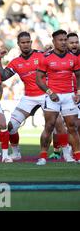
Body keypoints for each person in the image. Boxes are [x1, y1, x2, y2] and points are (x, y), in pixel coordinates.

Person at [0, 32, 46, 160]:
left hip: (46, 95)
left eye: (28, 42)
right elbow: (2, 76)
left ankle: (65, 153)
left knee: (56, 125)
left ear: (31, 42)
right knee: (11, 126)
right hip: (29, 97)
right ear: (18, 44)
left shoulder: (41, 56)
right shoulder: (16, 62)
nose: (26, 45)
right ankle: (16, 153)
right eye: (23, 42)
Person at [35, 30, 80, 165]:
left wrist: (78, 93)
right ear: (54, 41)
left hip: (68, 96)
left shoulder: (73, 57)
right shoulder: (46, 57)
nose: (63, 42)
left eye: (65, 39)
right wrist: (50, 92)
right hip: (52, 96)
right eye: (60, 40)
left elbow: (78, 76)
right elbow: (38, 79)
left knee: (72, 127)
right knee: (49, 126)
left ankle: (77, 156)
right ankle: (42, 156)